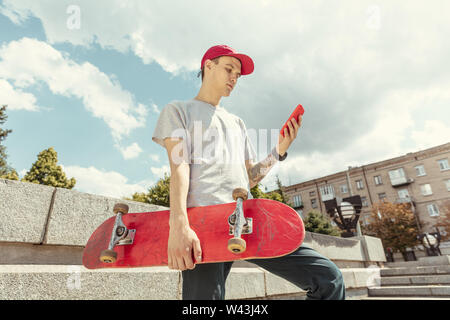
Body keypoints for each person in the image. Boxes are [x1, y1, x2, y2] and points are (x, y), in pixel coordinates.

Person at [152, 44, 345, 300]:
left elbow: (250, 178)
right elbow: (179, 169)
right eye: (229, 68)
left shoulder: (237, 123)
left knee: (328, 278)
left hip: (246, 221)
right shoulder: (178, 111)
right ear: (208, 66)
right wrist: (179, 226)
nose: (234, 78)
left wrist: (279, 151)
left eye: (238, 75)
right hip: (205, 225)